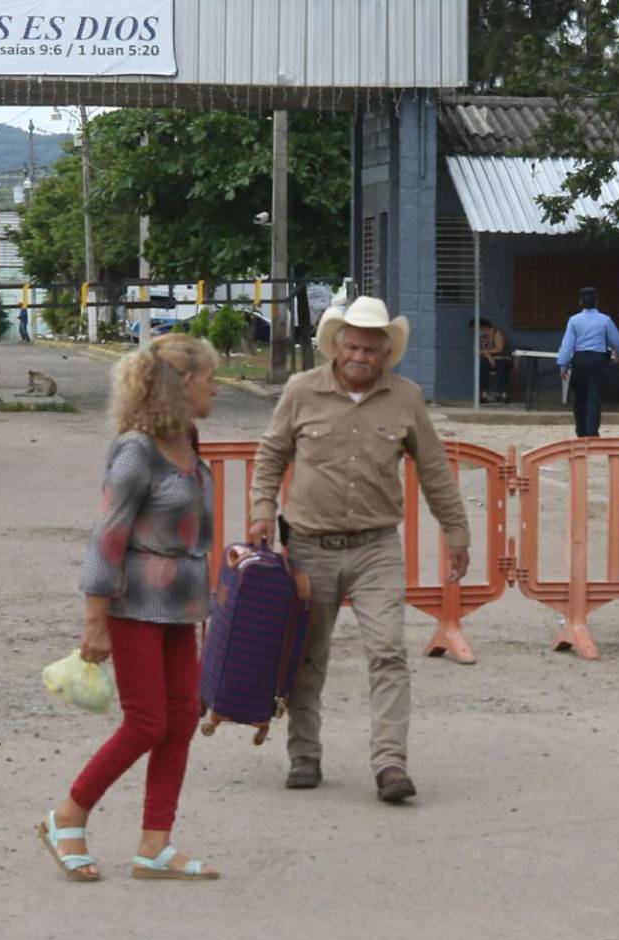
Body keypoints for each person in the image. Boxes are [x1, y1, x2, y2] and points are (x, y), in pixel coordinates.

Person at [247, 296, 471, 804]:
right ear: (336, 346)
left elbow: (434, 470)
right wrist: (262, 508)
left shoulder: (406, 398)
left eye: (370, 349)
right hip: (308, 546)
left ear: (385, 353)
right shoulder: (301, 391)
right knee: (307, 657)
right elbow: (271, 453)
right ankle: (304, 753)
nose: (360, 357)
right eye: (352, 346)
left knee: (389, 652)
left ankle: (390, 763)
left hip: (376, 549)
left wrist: (456, 531)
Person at [39, 335, 221, 883]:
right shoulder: (135, 449)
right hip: (134, 602)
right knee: (147, 722)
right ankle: (68, 815)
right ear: (181, 384)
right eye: (208, 377)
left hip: (179, 604)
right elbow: (107, 536)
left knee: (182, 718)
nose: (215, 385)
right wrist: (95, 619)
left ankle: (154, 847)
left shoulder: (187, 440)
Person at [555, 287, 619, 437]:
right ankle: (592, 432)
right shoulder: (605, 320)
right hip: (598, 362)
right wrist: (618, 352)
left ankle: (580, 431)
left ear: (580, 302)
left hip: (580, 361)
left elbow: (567, 345)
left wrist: (563, 364)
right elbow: (618, 343)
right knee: (594, 398)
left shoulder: (573, 321)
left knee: (580, 398)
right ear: (597, 302)